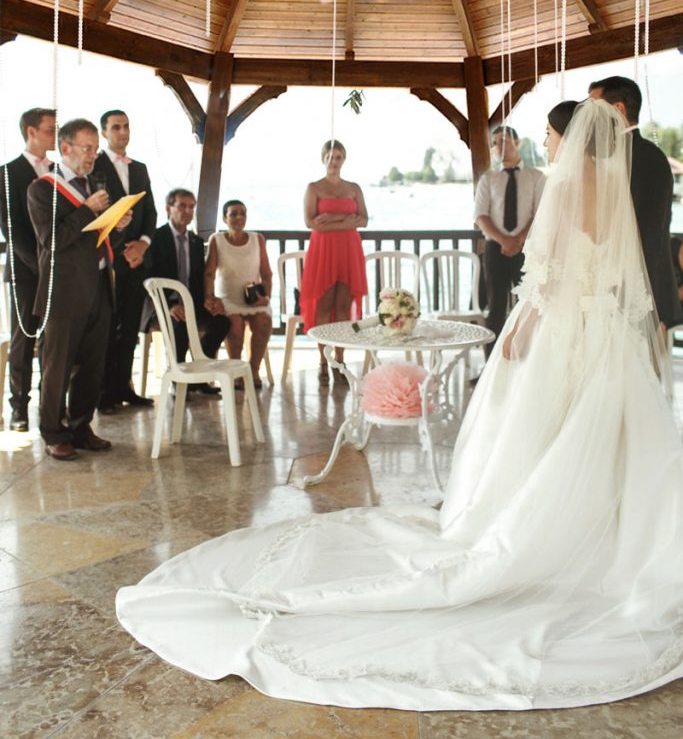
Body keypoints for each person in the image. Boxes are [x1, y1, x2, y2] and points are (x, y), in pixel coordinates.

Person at [117, 99, 683, 708]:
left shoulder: (567, 186)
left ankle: (534, 529)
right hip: (608, 334)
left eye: (549, 135)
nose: (545, 145)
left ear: (569, 140)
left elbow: (549, 272)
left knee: (542, 433)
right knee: (603, 437)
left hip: (565, 327)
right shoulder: (617, 184)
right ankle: (610, 536)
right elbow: (616, 269)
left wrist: (521, 329)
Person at [27, 118, 130, 461]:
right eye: (87, 149)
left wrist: (116, 222)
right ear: (65, 148)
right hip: (64, 291)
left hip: (99, 285)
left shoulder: (90, 187)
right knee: (57, 367)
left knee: (92, 365)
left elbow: (95, 239)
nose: (93, 156)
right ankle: (54, 433)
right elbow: (52, 240)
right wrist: (88, 210)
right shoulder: (42, 189)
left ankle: (82, 427)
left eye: (95, 150)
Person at [588, 75, 682, 328]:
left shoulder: (647, 158)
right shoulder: (614, 154)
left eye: (595, 108)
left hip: (641, 292)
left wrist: (628, 295)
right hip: (615, 290)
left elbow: (648, 230)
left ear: (618, 108)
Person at [94, 109, 157, 413]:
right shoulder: (96, 167)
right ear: (104, 132)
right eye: (116, 127)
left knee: (131, 327)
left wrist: (143, 245)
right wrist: (122, 250)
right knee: (107, 329)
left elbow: (151, 213)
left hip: (137, 261)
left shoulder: (141, 168)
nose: (123, 132)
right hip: (108, 262)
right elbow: (96, 218)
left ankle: (124, 387)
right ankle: (104, 393)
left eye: (126, 126)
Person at [0, 107, 56, 431]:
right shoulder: (7, 173)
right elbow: (12, 228)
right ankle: (19, 409)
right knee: (25, 339)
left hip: (56, 273)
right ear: (31, 131)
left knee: (55, 341)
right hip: (25, 271)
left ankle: (51, 405)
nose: (55, 134)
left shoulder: (59, 171)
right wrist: (40, 267)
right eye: (50, 129)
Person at [141, 188, 230, 375]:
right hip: (161, 305)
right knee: (179, 324)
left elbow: (198, 278)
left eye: (191, 207)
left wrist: (209, 298)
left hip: (192, 303)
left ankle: (201, 371)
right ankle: (178, 379)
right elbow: (148, 278)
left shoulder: (196, 242)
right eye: (182, 206)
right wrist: (170, 305)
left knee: (222, 322)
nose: (187, 211)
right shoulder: (155, 238)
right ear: (168, 208)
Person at [300, 139, 368, 381]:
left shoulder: (354, 187)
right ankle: (323, 358)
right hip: (324, 249)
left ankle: (340, 358)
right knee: (324, 304)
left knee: (343, 305)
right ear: (323, 159)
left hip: (349, 249)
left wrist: (332, 218)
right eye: (329, 157)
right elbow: (311, 223)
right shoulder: (314, 187)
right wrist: (344, 220)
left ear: (344, 159)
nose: (334, 161)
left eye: (338, 157)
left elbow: (363, 220)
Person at [474, 124, 545, 346]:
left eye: (503, 140)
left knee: (530, 304)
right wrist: (504, 240)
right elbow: (480, 216)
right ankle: (490, 368)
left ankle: (524, 362)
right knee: (495, 308)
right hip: (496, 249)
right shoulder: (488, 178)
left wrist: (519, 239)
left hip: (528, 249)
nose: (498, 147)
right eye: (494, 143)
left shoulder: (536, 177)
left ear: (517, 142)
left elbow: (541, 213)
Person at [204, 199, 272, 387]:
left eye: (242, 213)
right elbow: (209, 273)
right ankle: (236, 372)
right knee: (234, 324)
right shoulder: (217, 240)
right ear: (225, 218)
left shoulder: (257, 239)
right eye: (233, 214)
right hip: (228, 300)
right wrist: (210, 297)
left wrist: (265, 298)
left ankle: (253, 370)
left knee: (264, 320)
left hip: (253, 300)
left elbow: (266, 274)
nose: (239, 217)